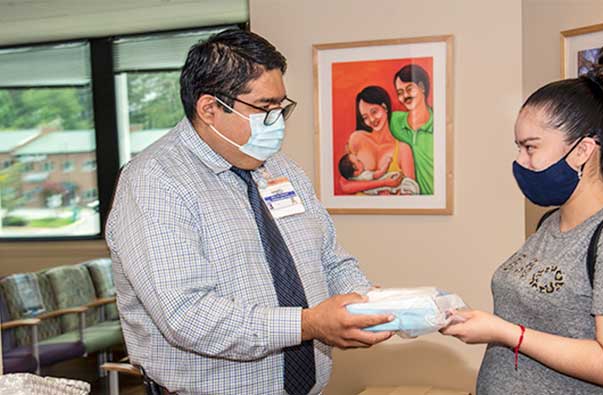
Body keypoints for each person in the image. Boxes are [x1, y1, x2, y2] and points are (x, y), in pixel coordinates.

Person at [106, 29, 394, 395]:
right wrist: (308, 324)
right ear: (210, 108)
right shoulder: (154, 183)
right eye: (264, 108)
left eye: (281, 107)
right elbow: (188, 315)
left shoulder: (282, 169)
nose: (277, 120)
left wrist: (364, 302)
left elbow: (329, 259)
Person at [441, 43, 603, 395]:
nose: (520, 161)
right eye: (518, 147)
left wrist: (504, 332)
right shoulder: (550, 222)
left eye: (530, 147)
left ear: (582, 151)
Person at [338, 85, 415, 195]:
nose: (372, 119)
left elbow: (411, 191)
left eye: (374, 111)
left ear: (385, 107)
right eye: (365, 117)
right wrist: (384, 183)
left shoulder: (403, 149)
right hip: (356, 210)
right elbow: (344, 186)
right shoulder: (357, 139)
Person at [389, 64, 434, 195]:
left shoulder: (439, 125)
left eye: (409, 89)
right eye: (400, 92)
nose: (405, 96)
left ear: (422, 87)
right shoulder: (394, 121)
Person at [338, 152, 419, 195]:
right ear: (356, 171)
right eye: (358, 161)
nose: (361, 161)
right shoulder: (364, 176)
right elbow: (378, 174)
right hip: (381, 187)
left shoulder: (354, 179)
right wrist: (386, 164)